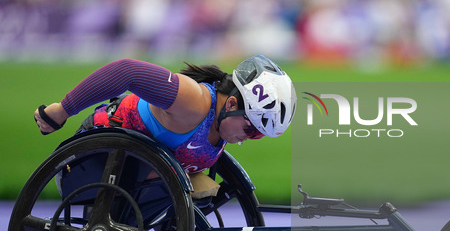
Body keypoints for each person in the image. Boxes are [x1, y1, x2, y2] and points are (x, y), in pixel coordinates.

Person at [33, 55, 297, 176]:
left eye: (260, 136)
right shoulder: (194, 102)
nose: (249, 138)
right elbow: (126, 71)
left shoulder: (223, 124)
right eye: (252, 130)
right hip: (90, 162)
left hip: (132, 176)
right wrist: (61, 110)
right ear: (230, 105)